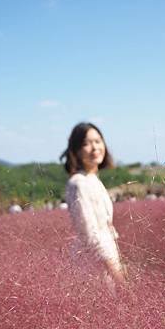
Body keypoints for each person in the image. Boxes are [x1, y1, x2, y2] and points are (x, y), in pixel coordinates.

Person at [62, 122, 125, 285]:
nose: (95, 147)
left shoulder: (93, 180)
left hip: (105, 262)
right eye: (86, 144)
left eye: (98, 141)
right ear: (75, 150)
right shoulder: (78, 184)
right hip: (94, 267)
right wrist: (118, 276)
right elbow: (90, 235)